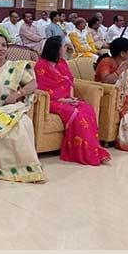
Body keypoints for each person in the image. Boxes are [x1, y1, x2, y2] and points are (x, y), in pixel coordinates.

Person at [0, 34, 45, 183]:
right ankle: (5, 169)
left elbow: (33, 84)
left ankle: (27, 168)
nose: (0, 48)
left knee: (24, 123)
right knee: (0, 127)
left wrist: (19, 93)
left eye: (4, 45)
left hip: (9, 107)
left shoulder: (14, 67)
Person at [35, 36, 111, 166]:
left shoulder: (62, 63)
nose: (66, 48)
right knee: (76, 113)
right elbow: (42, 88)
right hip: (51, 101)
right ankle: (82, 153)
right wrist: (63, 100)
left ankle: (94, 149)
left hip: (66, 99)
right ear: (56, 49)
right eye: (64, 46)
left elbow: (70, 82)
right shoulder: (41, 65)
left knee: (87, 109)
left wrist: (70, 98)